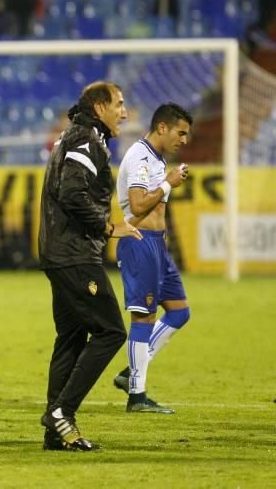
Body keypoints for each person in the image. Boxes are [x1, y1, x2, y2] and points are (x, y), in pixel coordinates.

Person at [38, 81, 142, 451]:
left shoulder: (77, 135)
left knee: (70, 338)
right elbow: (72, 191)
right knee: (111, 331)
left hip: (61, 251)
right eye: (119, 104)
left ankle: (56, 430)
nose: (125, 113)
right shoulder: (86, 139)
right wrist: (108, 226)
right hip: (75, 253)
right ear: (100, 106)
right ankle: (62, 411)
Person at [111, 103, 192, 414]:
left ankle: (132, 370)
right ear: (162, 127)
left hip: (157, 245)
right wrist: (168, 183)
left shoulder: (157, 159)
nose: (184, 140)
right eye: (180, 133)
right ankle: (137, 395)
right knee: (143, 316)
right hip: (139, 243)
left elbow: (156, 208)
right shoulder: (140, 156)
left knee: (179, 312)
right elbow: (138, 205)